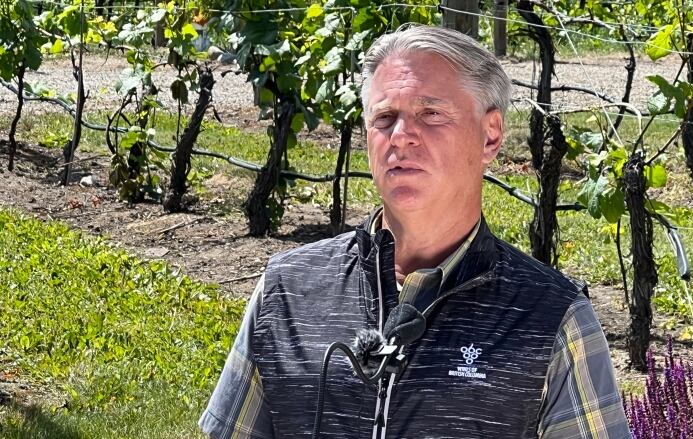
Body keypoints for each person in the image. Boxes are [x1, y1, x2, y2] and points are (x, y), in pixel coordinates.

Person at [199, 24, 630, 438]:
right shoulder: (286, 289)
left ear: (490, 136)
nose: (401, 136)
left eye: (431, 113)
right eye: (385, 117)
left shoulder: (551, 317)